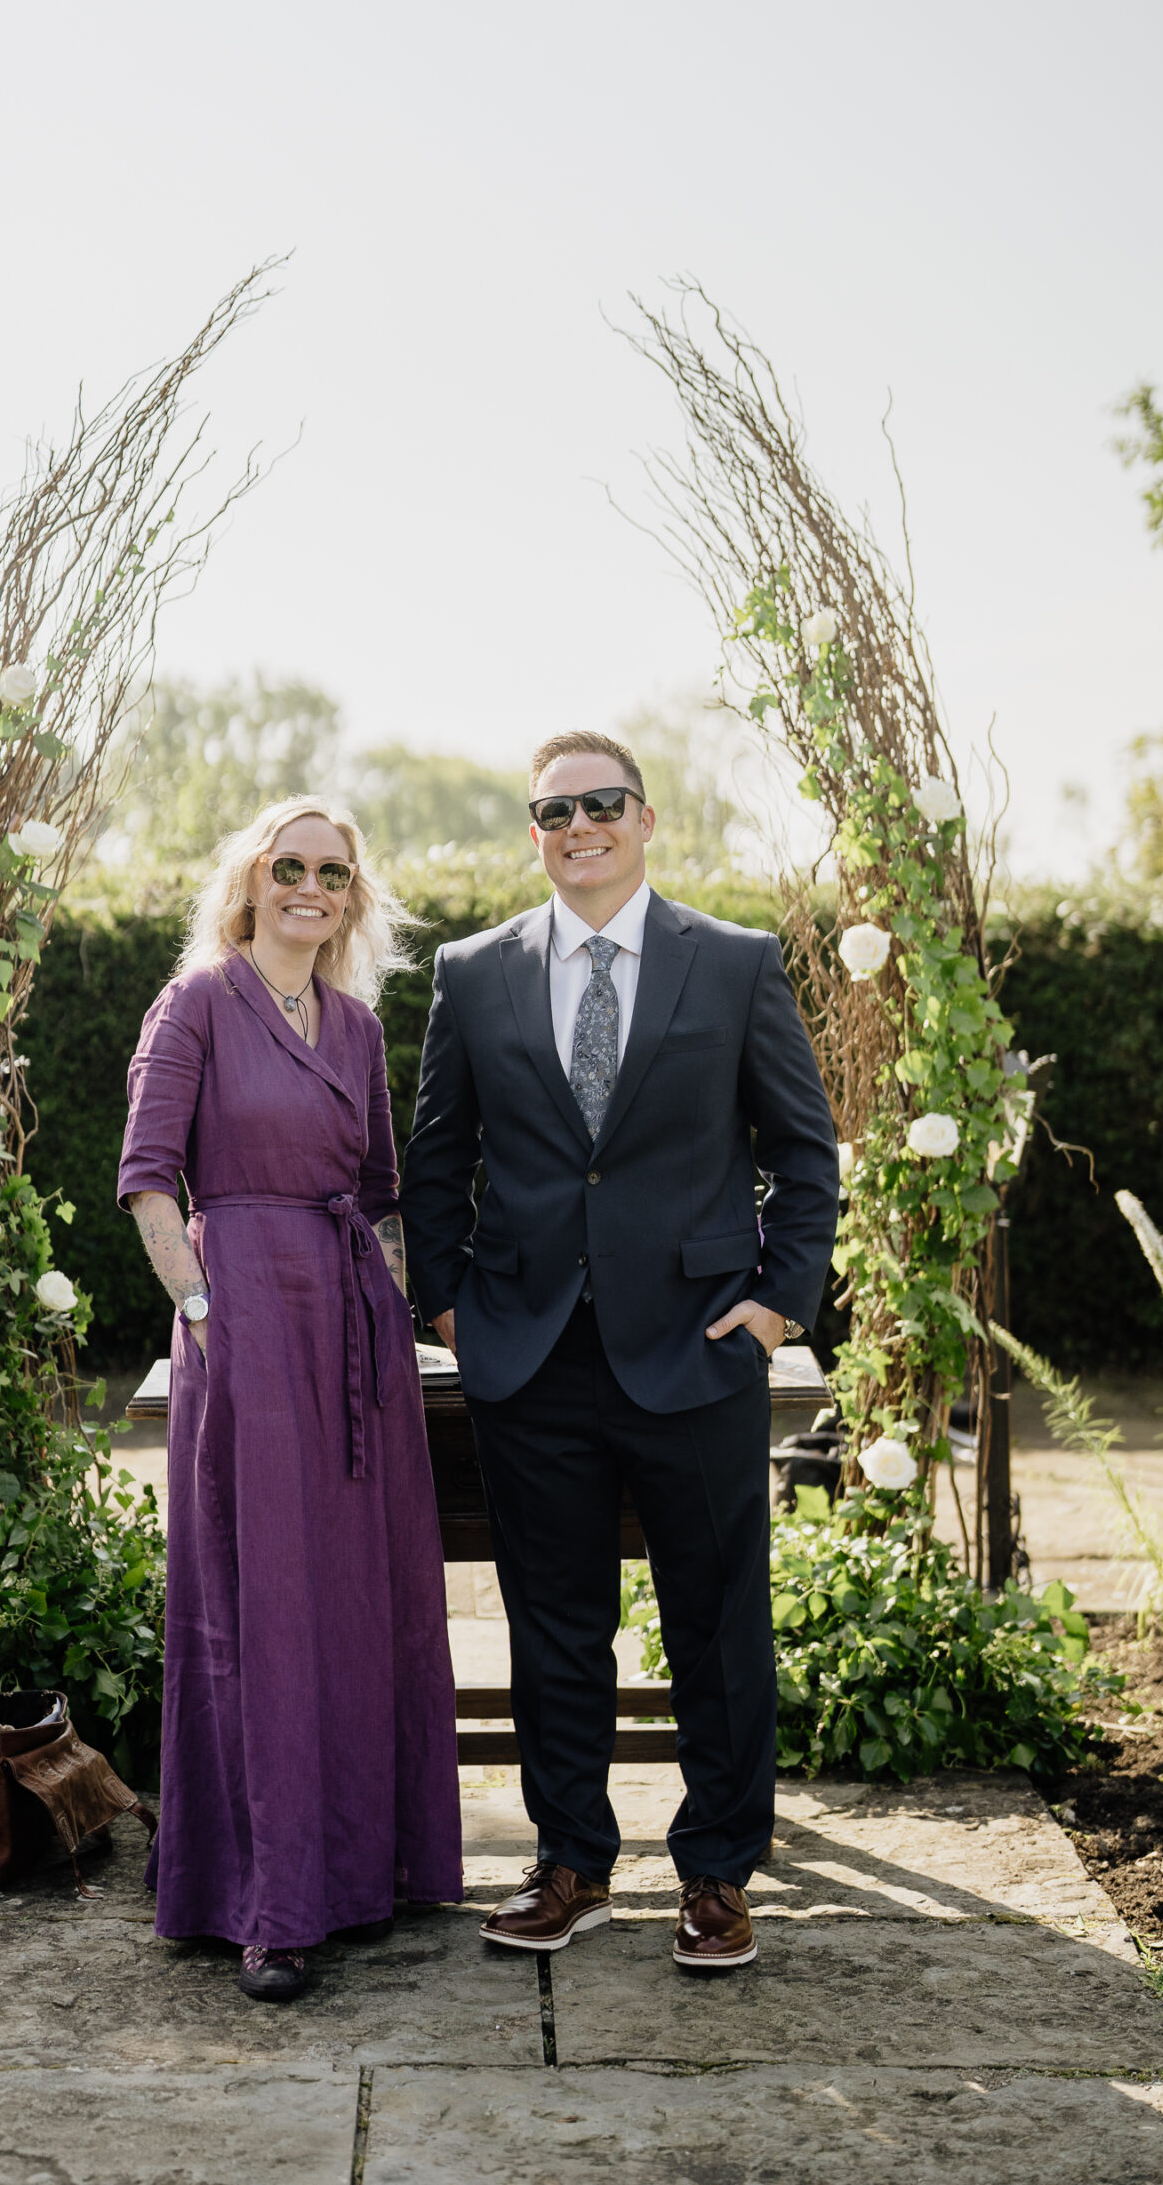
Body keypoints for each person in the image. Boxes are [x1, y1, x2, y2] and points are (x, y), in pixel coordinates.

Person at [401, 730, 838, 1974]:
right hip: (531, 1358)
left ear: (646, 820)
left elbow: (805, 1153)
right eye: (554, 809)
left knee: (716, 1624)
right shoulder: (474, 974)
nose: (578, 824)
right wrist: (451, 1309)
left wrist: (775, 1306)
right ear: (533, 832)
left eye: (602, 803)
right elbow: (435, 1162)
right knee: (552, 1623)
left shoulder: (737, 963)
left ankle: (715, 1875)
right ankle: (573, 1862)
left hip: (698, 1349)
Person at [118, 795, 463, 2002]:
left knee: (359, 1594)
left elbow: (377, 1194)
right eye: (289, 865)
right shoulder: (197, 1004)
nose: (310, 885)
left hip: (351, 1326)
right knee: (260, 1599)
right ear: (252, 880)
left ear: (352, 895)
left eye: (333, 870)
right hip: (246, 1319)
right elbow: (150, 1180)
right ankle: (268, 1903)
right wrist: (206, 1313)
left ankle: (368, 1870)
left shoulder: (361, 1028)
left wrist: (404, 1326)